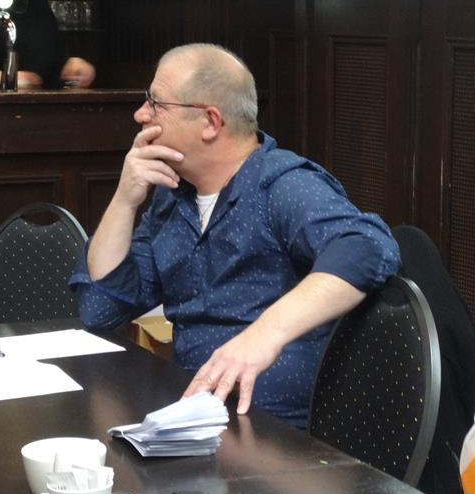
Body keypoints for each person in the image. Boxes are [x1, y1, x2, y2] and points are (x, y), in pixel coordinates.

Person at [70, 43, 400, 428]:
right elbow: (100, 311)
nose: (141, 114)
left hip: (276, 432)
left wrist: (264, 334)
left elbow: (367, 246)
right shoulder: (172, 196)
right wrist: (125, 200)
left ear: (210, 122)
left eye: (157, 103)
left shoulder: (282, 185)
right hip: (192, 415)